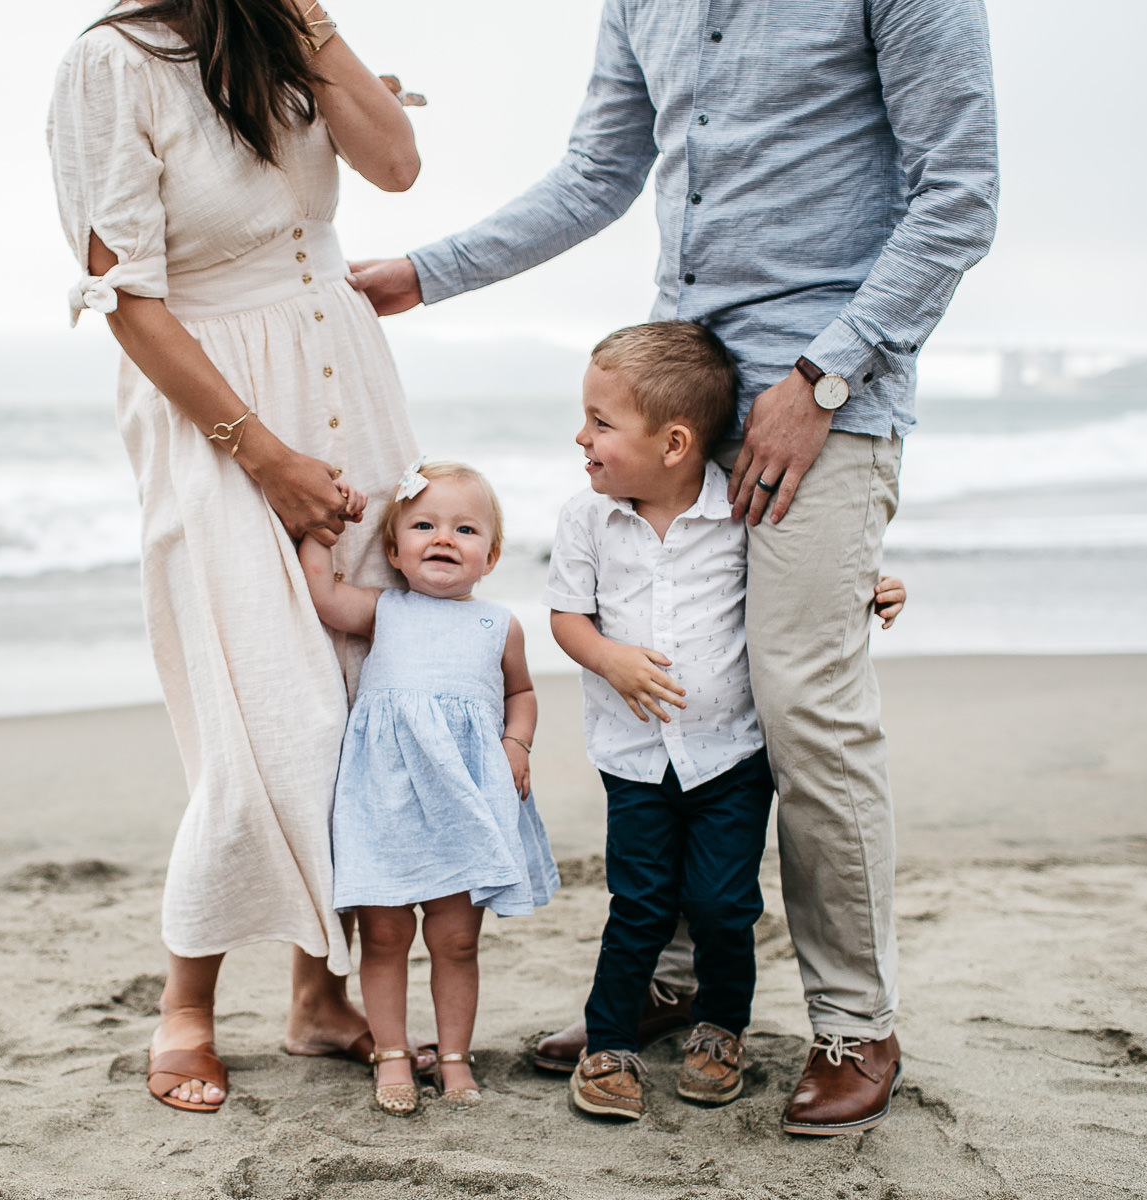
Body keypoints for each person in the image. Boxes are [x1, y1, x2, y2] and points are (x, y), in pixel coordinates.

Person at [350, 0, 995, 1134]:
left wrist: (824, 379)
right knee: (663, 677)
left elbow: (959, 194)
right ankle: (682, 980)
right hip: (675, 394)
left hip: (825, 389)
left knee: (802, 705)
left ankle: (856, 1020)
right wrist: (425, 272)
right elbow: (601, 169)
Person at [46, 0, 427, 1113]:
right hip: (214, 413)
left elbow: (397, 165)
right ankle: (188, 1006)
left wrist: (309, 24)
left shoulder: (285, 38)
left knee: (362, 701)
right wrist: (261, 454)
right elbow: (127, 298)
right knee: (262, 711)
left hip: (349, 384)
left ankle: (317, 998)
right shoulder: (109, 65)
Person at [545, 323, 905, 1121]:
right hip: (636, 758)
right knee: (637, 902)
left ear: (674, 443)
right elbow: (566, 618)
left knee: (721, 902)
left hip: (728, 760)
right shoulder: (586, 520)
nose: (582, 436)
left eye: (600, 423)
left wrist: (872, 587)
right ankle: (612, 1042)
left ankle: (719, 1030)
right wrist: (608, 658)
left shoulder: (739, 511)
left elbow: (801, 581)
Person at [298, 460, 560, 1115]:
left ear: (491, 555)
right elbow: (322, 596)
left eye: (465, 528)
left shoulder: (498, 626)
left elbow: (522, 692)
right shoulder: (386, 609)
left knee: (456, 939)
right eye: (424, 525)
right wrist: (319, 528)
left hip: (462, 803)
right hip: (385, 802)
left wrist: (516, 743)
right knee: (384, 937)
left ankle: (452, 1057)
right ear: (393, 550)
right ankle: (391, 1054)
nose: (444, 537)